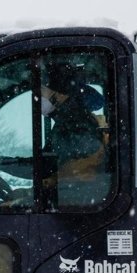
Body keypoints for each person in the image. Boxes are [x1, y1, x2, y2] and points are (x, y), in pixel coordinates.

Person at [40, 61, 107, 206]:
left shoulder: (77, 126)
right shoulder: (65, 123)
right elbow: (45, 163)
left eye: (42, 92)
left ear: (58, 94)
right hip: (71, 197)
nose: (39, 99)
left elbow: (75, 173)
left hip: (76, 203)